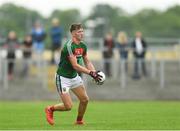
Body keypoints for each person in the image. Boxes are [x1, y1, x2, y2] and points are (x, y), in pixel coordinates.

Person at [45, 23, 102, 125]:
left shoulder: (83, 45)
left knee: (84, 100)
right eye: (79, 31)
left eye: (82, 31)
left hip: (74, 77)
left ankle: (79, 121)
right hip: (63, 78)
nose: (82, 33)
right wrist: (90, 73)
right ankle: (50, 109)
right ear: (73, 33)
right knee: (68, 106)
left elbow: (87, 61)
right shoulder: (69, 46)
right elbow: (75, 66)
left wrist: (94, 72)